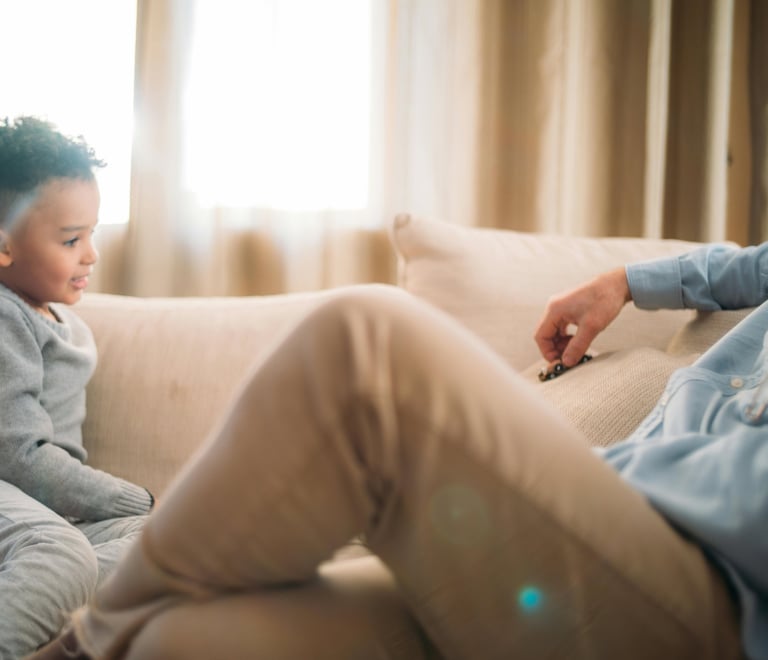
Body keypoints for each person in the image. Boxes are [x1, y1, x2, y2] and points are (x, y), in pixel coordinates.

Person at [29, 227, 768, 659]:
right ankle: (109, 639)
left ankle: (82, 645)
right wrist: (627, 281)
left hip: (716, 589)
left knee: (366, 343)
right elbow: (751, 266)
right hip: (623, 521)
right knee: (183, 643)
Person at [0, 116, 155, 658]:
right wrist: (137, 496)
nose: (91, 254)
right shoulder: (4, 315)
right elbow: (18, 456)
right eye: (71, 239)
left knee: (160, 544)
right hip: (11, 488)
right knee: (62, 554)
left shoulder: (68, 326)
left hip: (46, 516)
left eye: (92, 234)